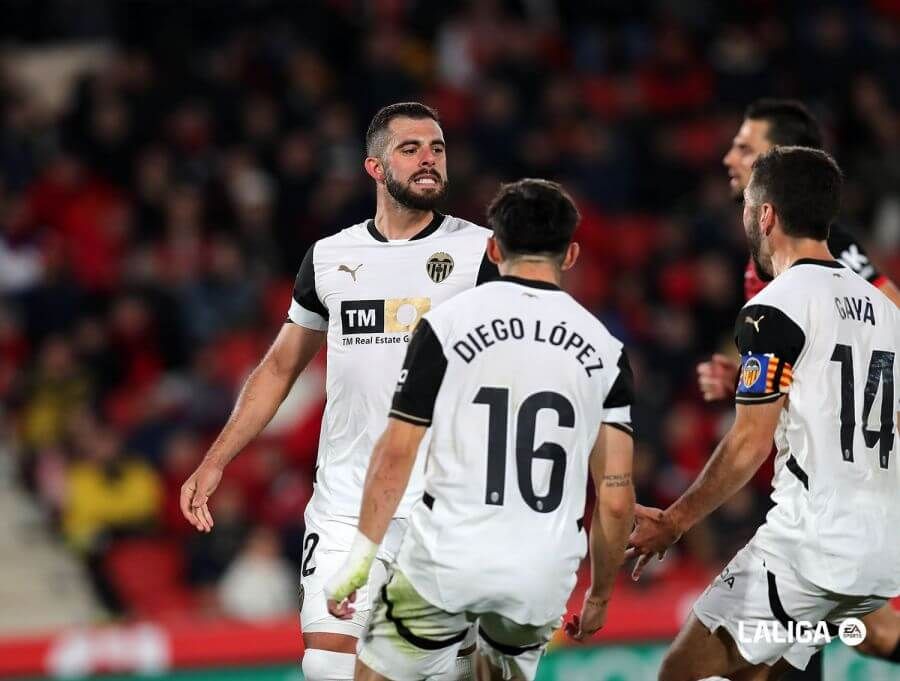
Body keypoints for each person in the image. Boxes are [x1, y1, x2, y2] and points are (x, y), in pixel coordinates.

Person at [180, 102, 497, 681]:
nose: (429, 159)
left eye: (438, 148)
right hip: (346, 501)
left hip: (446, 505)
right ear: (374, 167)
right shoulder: (331, 258)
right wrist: (217, 458)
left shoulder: (482, 254)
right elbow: (279, 369)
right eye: (411, 148)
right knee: (328, 666)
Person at [324, 179, 636, 681]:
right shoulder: (606, 352)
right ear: (571, 254)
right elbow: (617, 500)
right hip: (539, 573)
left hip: (446, 560)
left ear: (493, 249)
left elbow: (395, 455)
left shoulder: (446, 326)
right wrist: (599, 595)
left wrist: (359, 561)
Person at [629, 147, 900, 681]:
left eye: (748, 206)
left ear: (766, 215)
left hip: (809, 548)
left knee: (679, 673)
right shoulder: (889, 312)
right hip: (880, 550)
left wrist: (675, 521)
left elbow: (749, 442)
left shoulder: (776, 307)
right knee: (760, 671)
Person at [699, 98, 900, 667]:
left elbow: (882, 327)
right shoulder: (764, 258)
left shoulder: (837, 257)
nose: (729, 156)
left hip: (835, 486)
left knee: (785, 634)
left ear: (779, 158)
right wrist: (746, 372)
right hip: (810, 477)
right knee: (861, 633)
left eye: (745, 145)